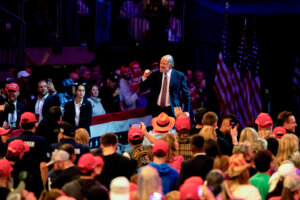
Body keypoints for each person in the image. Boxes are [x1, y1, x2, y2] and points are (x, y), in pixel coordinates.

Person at [5, 112, 51, 197]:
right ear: (35, 125)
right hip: (36, 185)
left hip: (15, 184)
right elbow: (43, 166)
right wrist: (46, 188)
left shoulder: (11, 141)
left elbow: (6, 165)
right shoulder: (42, 141)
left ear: (21, 125)